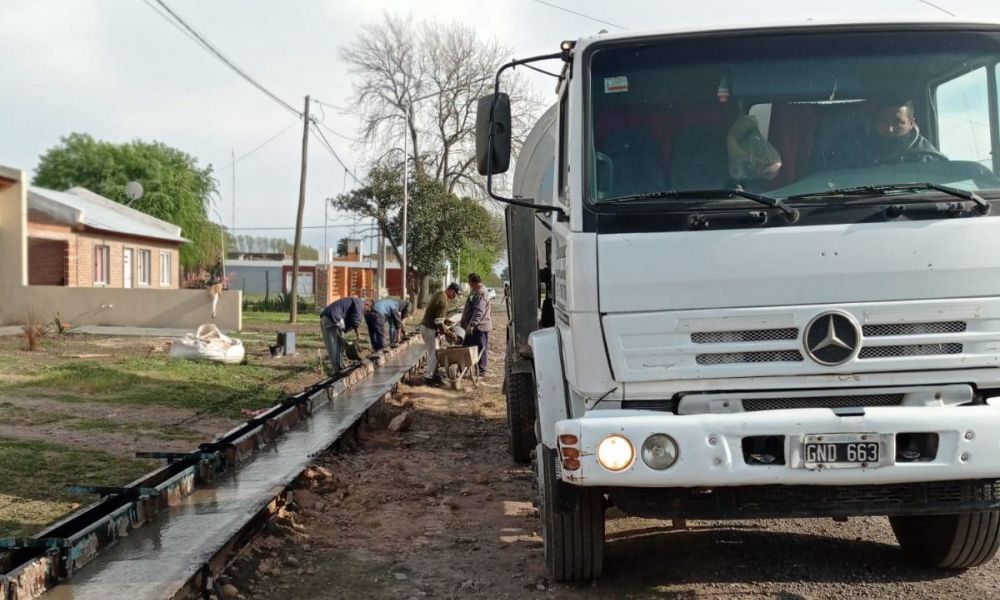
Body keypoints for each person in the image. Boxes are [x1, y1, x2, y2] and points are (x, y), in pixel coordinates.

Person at [823, 98, 943, 170]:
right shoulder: (854, 150)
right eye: (883, 121)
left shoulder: (928, 158)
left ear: (911, 124)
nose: (890, 129)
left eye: (898, 122)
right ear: (874, 123)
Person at [421, 282, 460, 386]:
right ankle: (428, 379)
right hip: (430, 329)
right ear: (451, 290)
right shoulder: (443, 301)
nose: (454, 297)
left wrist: (446, 321)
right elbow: (438, 322)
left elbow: (437, 317)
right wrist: (450, 333)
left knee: (436, 353)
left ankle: (435, 376)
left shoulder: (439, 294)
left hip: (427, 327)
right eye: (455, 294)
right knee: (433, 355)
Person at [319, 296, 364, 374]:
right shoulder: (360, 303)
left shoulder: (354, 302)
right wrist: (358, 334)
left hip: (327, 318)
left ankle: (336, 370)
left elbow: (350, 320)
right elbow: (356, 320)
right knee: (338, 346)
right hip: (333, 319)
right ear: (367, 305)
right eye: (367, 310)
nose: (365, 312)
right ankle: (340, 370)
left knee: (332, 347)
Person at [460, 273, 492, 377]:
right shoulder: (475, 292)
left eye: (470, 283)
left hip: (479, 328)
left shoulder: (481, 293)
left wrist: (471, 325)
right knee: (466, 348)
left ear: (473, 283)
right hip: (473, 328)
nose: (469, 285)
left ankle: (481, 372)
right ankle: (465, 369)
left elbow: (479, 312)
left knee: (480, 349)